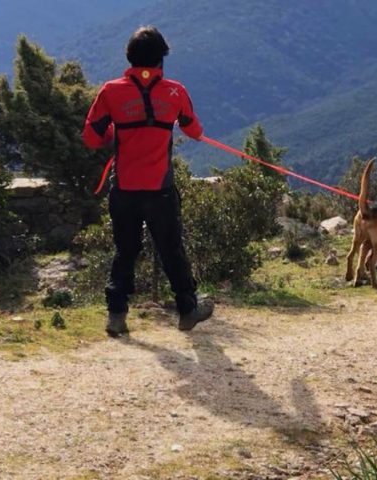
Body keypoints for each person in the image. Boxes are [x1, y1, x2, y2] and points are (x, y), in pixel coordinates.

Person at [82, 26, 213, 336]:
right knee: (171, 250)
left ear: (130, 57)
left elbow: (90, 137)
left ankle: (116, 314)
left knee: (125, 250)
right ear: (161, 59)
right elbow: (194, 131)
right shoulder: (176, 91)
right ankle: (187, 309)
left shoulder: (111, 91)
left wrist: (118, 133)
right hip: (160, 190)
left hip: (125, 189)